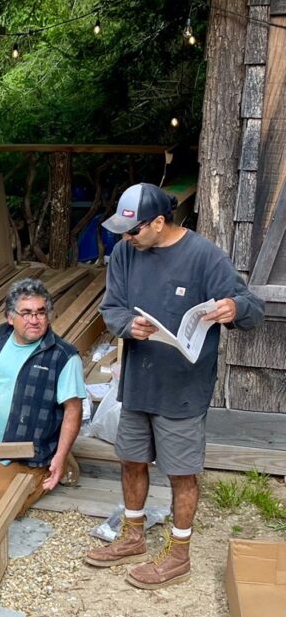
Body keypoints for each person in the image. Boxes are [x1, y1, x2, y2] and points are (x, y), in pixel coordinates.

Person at [85, 182, 265, 588]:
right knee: (131, 459)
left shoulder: (203, 256)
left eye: (133, 231)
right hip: (136, 382)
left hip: (183, 388)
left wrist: (234, 308)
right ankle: (132, 537)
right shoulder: (125, 256)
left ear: (159, 222)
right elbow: (110, 309)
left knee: (181, 472)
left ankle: (178, 555)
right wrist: (129, 325)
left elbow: (254, 308)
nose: (126, 239)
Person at [0, 277, 86, 517]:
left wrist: (61, 456)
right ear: (10, 318)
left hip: (26, 452)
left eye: (41, 313)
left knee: (2, 509)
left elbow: (73, 410)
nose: (34, 320)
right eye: (26, 313)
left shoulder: (63, 356)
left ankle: (47, 470)